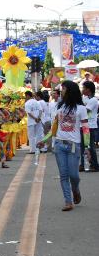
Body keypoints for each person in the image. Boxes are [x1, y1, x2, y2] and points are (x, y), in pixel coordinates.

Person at [38, 80, 90, 211]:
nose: (61, 91)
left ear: (70, 90)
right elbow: (54, 128)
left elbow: (85, 129)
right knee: (63, 175)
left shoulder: (81, 108)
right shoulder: (60, 108)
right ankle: (68, 201)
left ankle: (75, 189)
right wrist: (44, 139)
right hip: (59, 145)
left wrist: (88, 147)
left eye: (63, 88)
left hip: (74, 146)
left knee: (74, 175)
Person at [80, 81, 99, 171]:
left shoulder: (94, 100)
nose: (82, 90)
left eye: (84, 88)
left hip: (89, 126)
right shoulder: (85, 98)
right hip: (83, 125)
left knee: (90, 146)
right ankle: (83, 165)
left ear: (88, 89)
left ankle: (94, 165)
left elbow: (85, 111)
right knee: (82, 146)